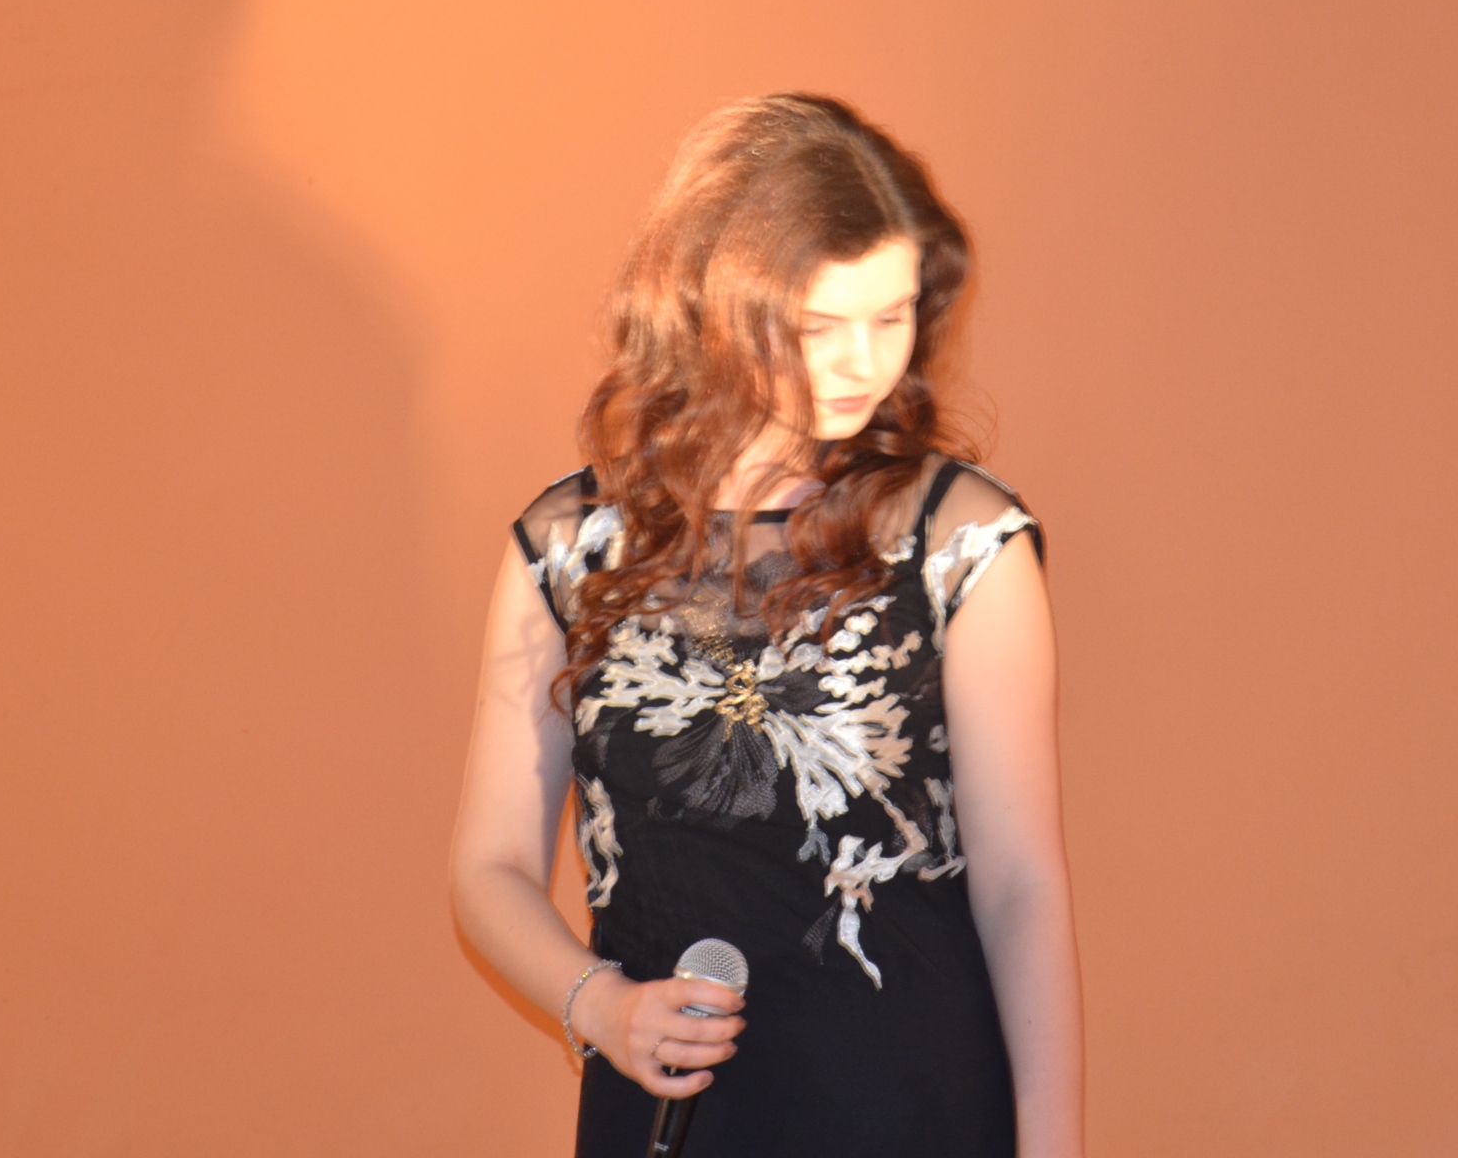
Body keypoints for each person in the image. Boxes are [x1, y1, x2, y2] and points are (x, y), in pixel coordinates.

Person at [450, 93, 1083, 1157]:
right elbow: (488, 868)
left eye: (892, 318)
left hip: (916, 1112)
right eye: (819, 327)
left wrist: (1054, 1145)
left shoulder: (962, 543)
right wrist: (601, 1007)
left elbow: (1023, 890)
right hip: (670, 1118)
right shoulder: (571, 549)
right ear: (715, 306)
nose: (864, 363)